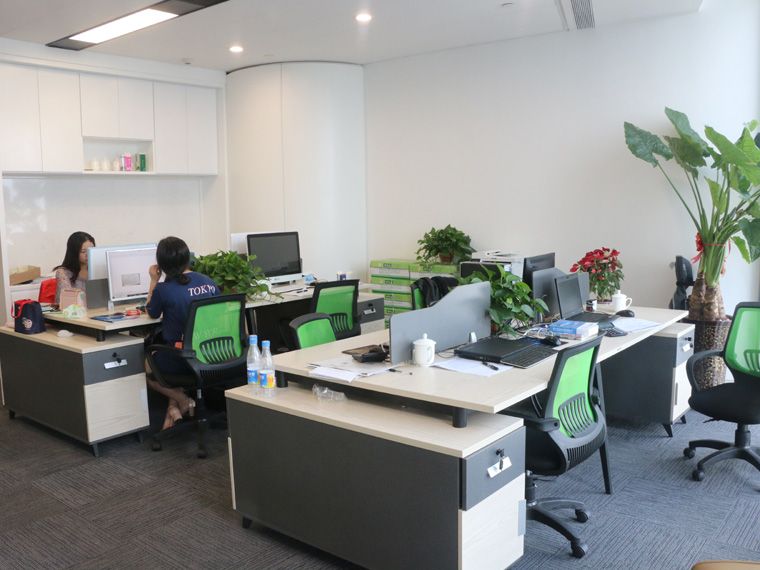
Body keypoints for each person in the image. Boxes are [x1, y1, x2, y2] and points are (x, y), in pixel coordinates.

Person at [145, 236, 219, 430]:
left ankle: (182, 400)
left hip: (185, 358)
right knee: (171, 351)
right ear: (188, 258)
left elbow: (151, 312)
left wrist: (154, 280)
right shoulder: (208, 281)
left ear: (162, 265)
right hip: (214, 353)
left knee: (148, 364)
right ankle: (173, 410)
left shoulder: (164, 290)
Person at [54, 231, 95, 305]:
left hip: (96, 310)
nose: (88, 254)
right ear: (74, 252)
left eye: (91, 250)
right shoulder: (63, 273)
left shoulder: (97, 269)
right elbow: (68, 302)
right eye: (83, 251)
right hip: (72, 310)